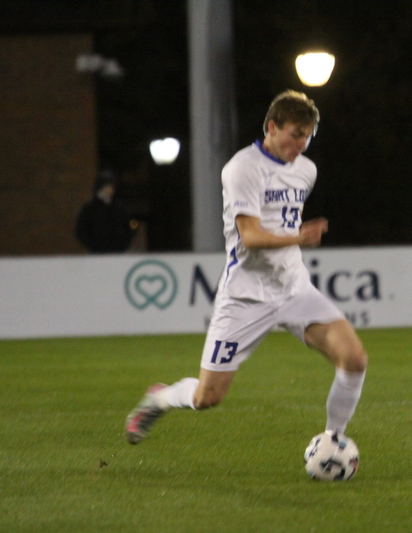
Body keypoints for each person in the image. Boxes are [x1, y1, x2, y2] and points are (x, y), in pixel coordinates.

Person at [125, 90, 368, 445]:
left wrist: (294, 240)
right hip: (246, 296)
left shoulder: (306, 171)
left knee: (354, 358)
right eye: (295, 134)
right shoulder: (242, 168)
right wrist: (298, 237)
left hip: (294, 289)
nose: (301, 144)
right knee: (206, 398)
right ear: (272, 127)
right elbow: (250, 236)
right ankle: (160, 398)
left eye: (308, 137)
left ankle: (333, 441)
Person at [75, 170, 134, 253]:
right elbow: (81, 230)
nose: (111, 189)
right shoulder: (90, 208)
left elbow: (128, 227)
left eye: (112, 186)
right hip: (97, 253)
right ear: (101, 187)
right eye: (108, 186)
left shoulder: (119, 208)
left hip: (117, 252)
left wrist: (123, 244)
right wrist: (93, 244)